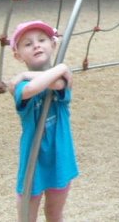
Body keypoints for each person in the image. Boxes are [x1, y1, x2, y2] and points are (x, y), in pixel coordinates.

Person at [8, 20, 78, 222]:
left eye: (42, 40)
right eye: (27, 44)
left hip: (60, 157)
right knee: (26, 216)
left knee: (54, 213)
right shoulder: (21, 86)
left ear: (53, 44)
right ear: (18, 55)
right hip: (34, 158)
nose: (36, 45)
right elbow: (31, 88)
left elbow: (58, 83)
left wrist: (25, 73)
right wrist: (61, 67)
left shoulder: (61, 79)